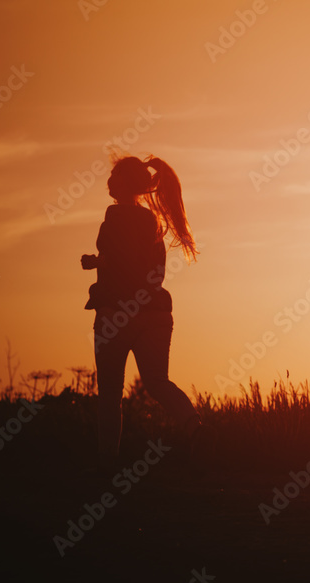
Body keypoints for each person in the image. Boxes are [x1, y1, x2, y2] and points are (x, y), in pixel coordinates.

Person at [81, 155, 202, 472]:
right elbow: (151, 272)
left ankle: (107, 462)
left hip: (116, 315)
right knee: (158, 382)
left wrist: (97, 262)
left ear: (125, 183)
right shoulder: (155, 224)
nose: (108, 181)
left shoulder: (113, 217)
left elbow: (121, 261)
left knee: (109, 393)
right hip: (155, 314)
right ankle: (195, 428)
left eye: (113, 176)